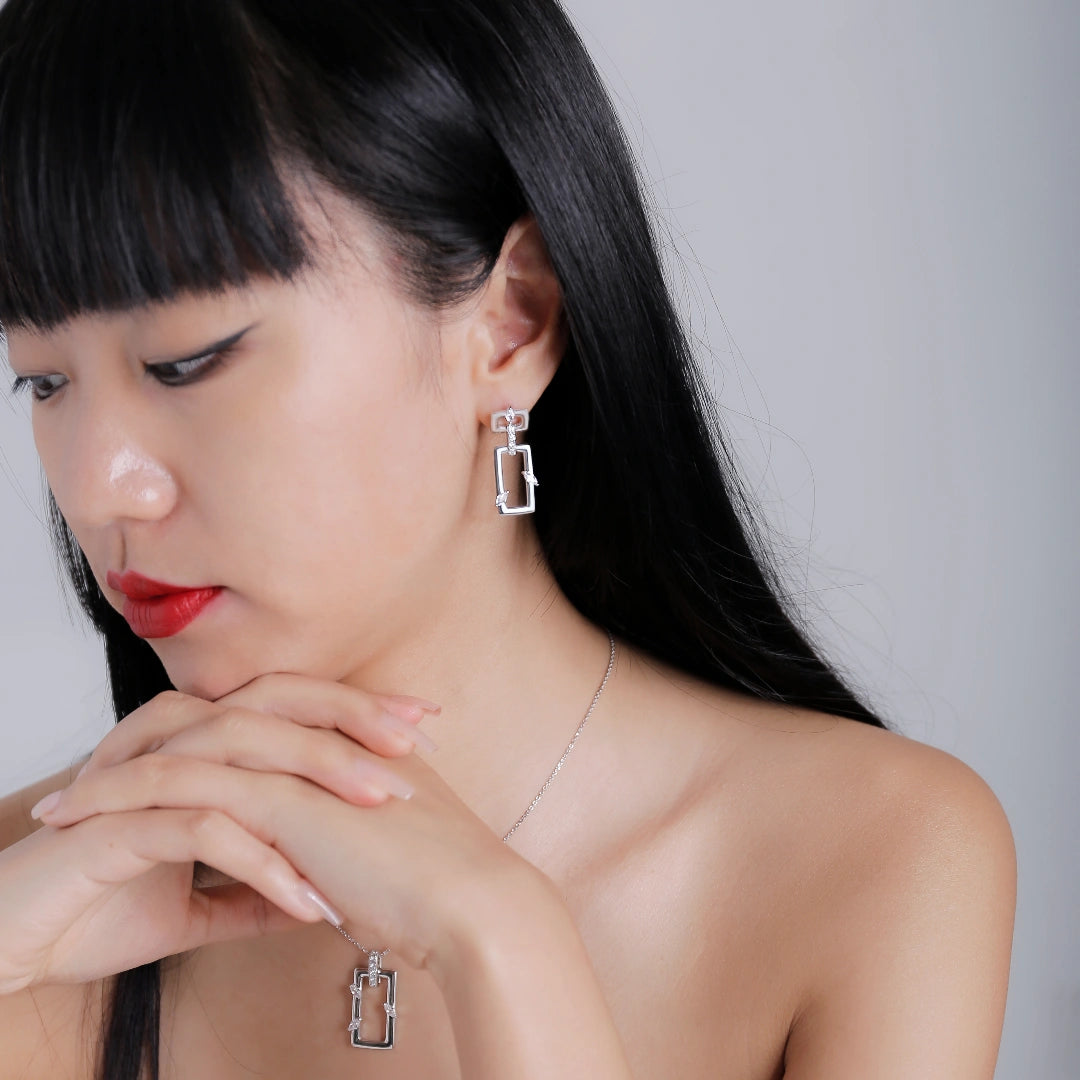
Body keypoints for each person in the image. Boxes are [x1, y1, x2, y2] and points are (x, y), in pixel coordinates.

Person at [0, 1, 1016, 1078]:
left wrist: (507, 949)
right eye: (43, 381)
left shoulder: (871, 860)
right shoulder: (40, 897)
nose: (98, 487)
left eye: (186, 363)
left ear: (512, 321)